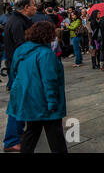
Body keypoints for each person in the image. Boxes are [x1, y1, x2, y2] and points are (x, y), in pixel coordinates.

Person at [7, 22, 67, 153]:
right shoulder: (46, 54)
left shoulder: (21, 49)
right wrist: (52, 102)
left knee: (32, 131)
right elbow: (49, 80)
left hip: (28, 97)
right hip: (43, 100)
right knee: (55, 136)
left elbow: (13, 72)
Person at [3, 0, 36, 152]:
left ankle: (17, 133)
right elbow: (21, 49)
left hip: (18, 67)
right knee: (18, 102)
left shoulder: (18, 21)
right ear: (26, 7)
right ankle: (11, 140)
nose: (36, 8)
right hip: (19, 69)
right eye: (33, 5)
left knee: (21, 101)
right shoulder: (17, 23)